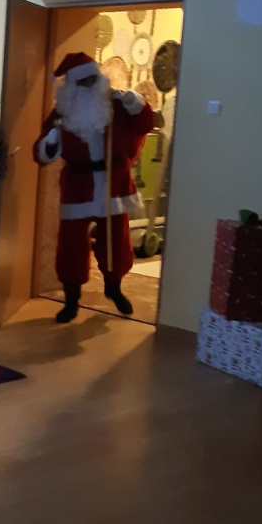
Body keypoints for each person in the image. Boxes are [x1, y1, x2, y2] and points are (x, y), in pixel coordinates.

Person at [33, 51, 155, 323]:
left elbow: (146, 124)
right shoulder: (62, 113)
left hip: (114, 182)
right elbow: (40, 154)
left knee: (117, 241)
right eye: (82, 81)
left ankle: (114, 289)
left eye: (92, 78)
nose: (88, 85)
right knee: (71, 246)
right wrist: (50, 142)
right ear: (71, 85)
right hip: (78, 185)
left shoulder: (117, 104)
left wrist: (137, 104)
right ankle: (71, 300)